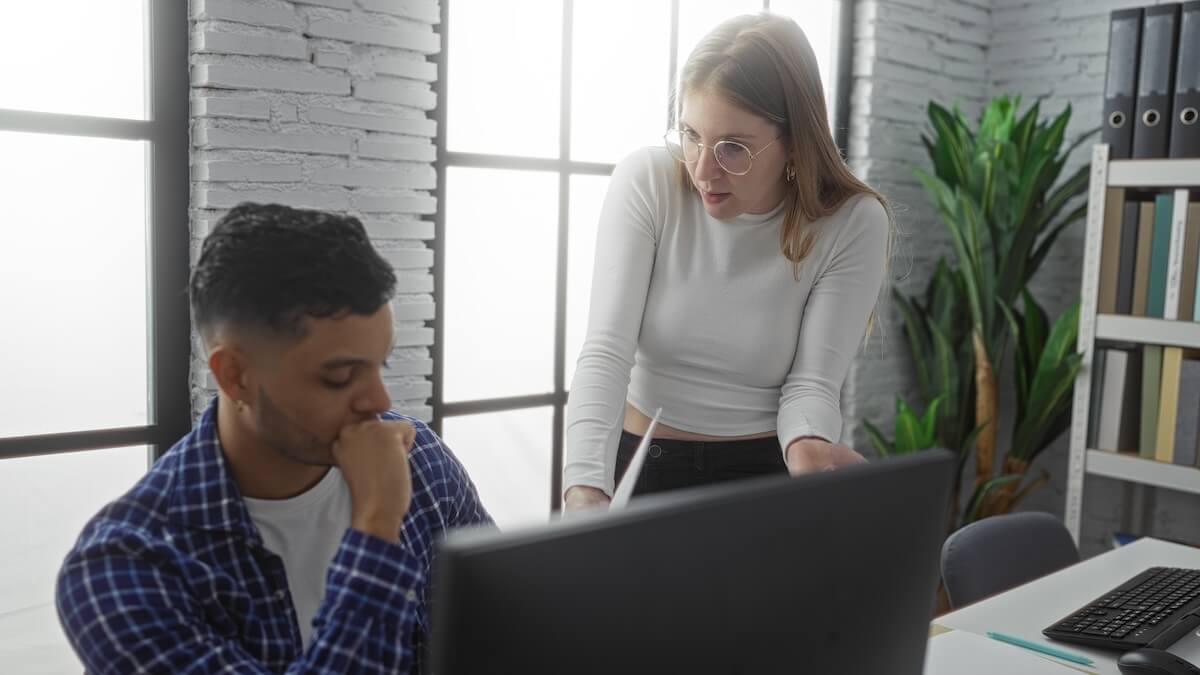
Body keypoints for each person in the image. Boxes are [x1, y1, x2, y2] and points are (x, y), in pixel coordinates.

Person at [56, 203, 491, 673]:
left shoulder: (421, 461)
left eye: (378, 365)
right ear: (235, 376)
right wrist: (377, 527)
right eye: (341, 376)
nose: (378, 400)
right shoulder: (123, 568)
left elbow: (504, 627)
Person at [563, 13, 892, 510]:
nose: (701, 169)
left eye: (732, 148)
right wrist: (585, 487)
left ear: (793, 143)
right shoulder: (648, 181)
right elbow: (607, 351)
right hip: (640, 466)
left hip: (762, 474)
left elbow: (811, 384)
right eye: (691, 134)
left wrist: (808, 450)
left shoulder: (851, 221)